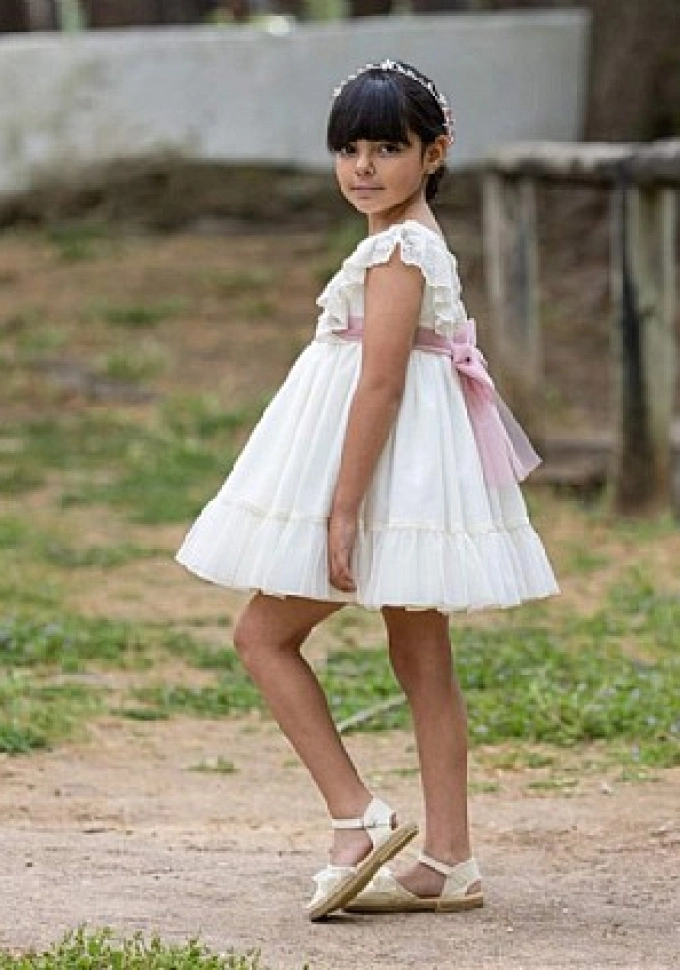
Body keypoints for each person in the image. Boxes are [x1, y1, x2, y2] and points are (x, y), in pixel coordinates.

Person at [176, 58, 559, 920]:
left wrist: (341, 511)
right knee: (421, 655)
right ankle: (449, 858)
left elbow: (380, 383)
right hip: (410, 466)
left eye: (387, 146)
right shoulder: (407, 237)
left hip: (380, 469)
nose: (363, 168)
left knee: (261, 636)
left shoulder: (399, 246)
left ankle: (356, 818)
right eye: (349, 148)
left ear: (435, 152)